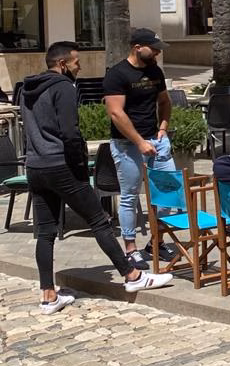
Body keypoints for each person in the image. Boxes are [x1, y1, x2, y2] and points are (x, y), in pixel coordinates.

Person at [23, 42, 174, 313]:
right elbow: (70, 132)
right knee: (99, 221)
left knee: (45, 233)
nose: (79, 66)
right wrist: (80, 166)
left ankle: (48, 295)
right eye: (75, 61)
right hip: (61, 165)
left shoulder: (27, 89)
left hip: (35, 167)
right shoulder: (63, 88)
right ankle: (133, 276)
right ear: (62, 64)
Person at [103, 28, 177, 270]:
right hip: (127, 144)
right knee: (129, 196)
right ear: (137, 47)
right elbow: (116, 112)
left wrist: (163, 128)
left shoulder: (156, 71)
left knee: (168, 192)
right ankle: (131, 248)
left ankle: (157, 242)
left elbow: (164, 101)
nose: (157, 52)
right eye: (153, 48)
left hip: (156, 140)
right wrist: (139, 142)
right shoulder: (117, 74)